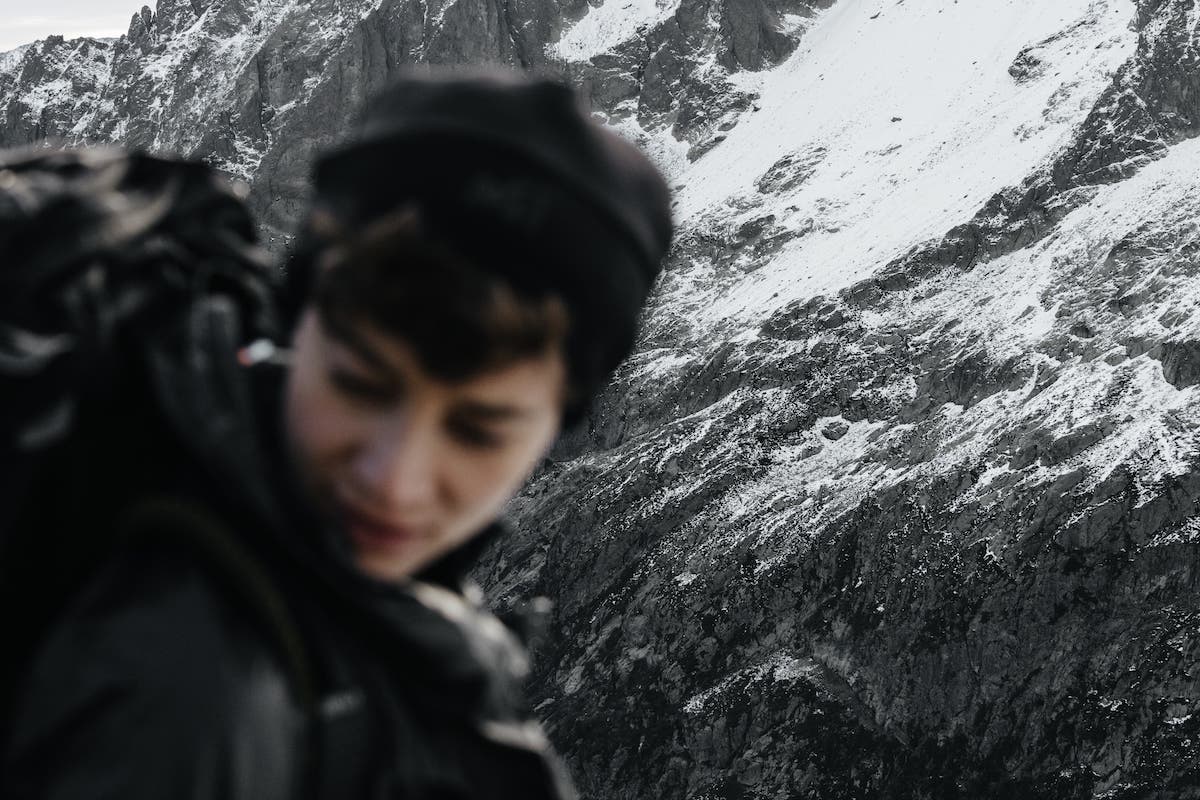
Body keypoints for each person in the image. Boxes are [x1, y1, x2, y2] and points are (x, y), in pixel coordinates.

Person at [0, 69, 672, 799]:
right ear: (296, 321)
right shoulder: (189, 694)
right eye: (360, 385)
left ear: (562, 423)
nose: (394, 479)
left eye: (478, 431)